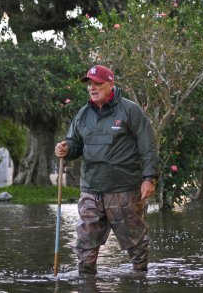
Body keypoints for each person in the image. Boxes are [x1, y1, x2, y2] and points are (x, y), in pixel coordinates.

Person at [54, 65, 158, 274]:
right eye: (89, 84)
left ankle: (140, 280)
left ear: (111, 84)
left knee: (135, 244)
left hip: (124, 190)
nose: (92, 88)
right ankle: (85, 280)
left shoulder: (130, 110)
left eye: (98, 83)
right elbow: (74, 144)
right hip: (91, 189)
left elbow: (147, 145)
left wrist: (149, 177)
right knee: (85, 244)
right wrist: (65, 148)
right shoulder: (82, 115)